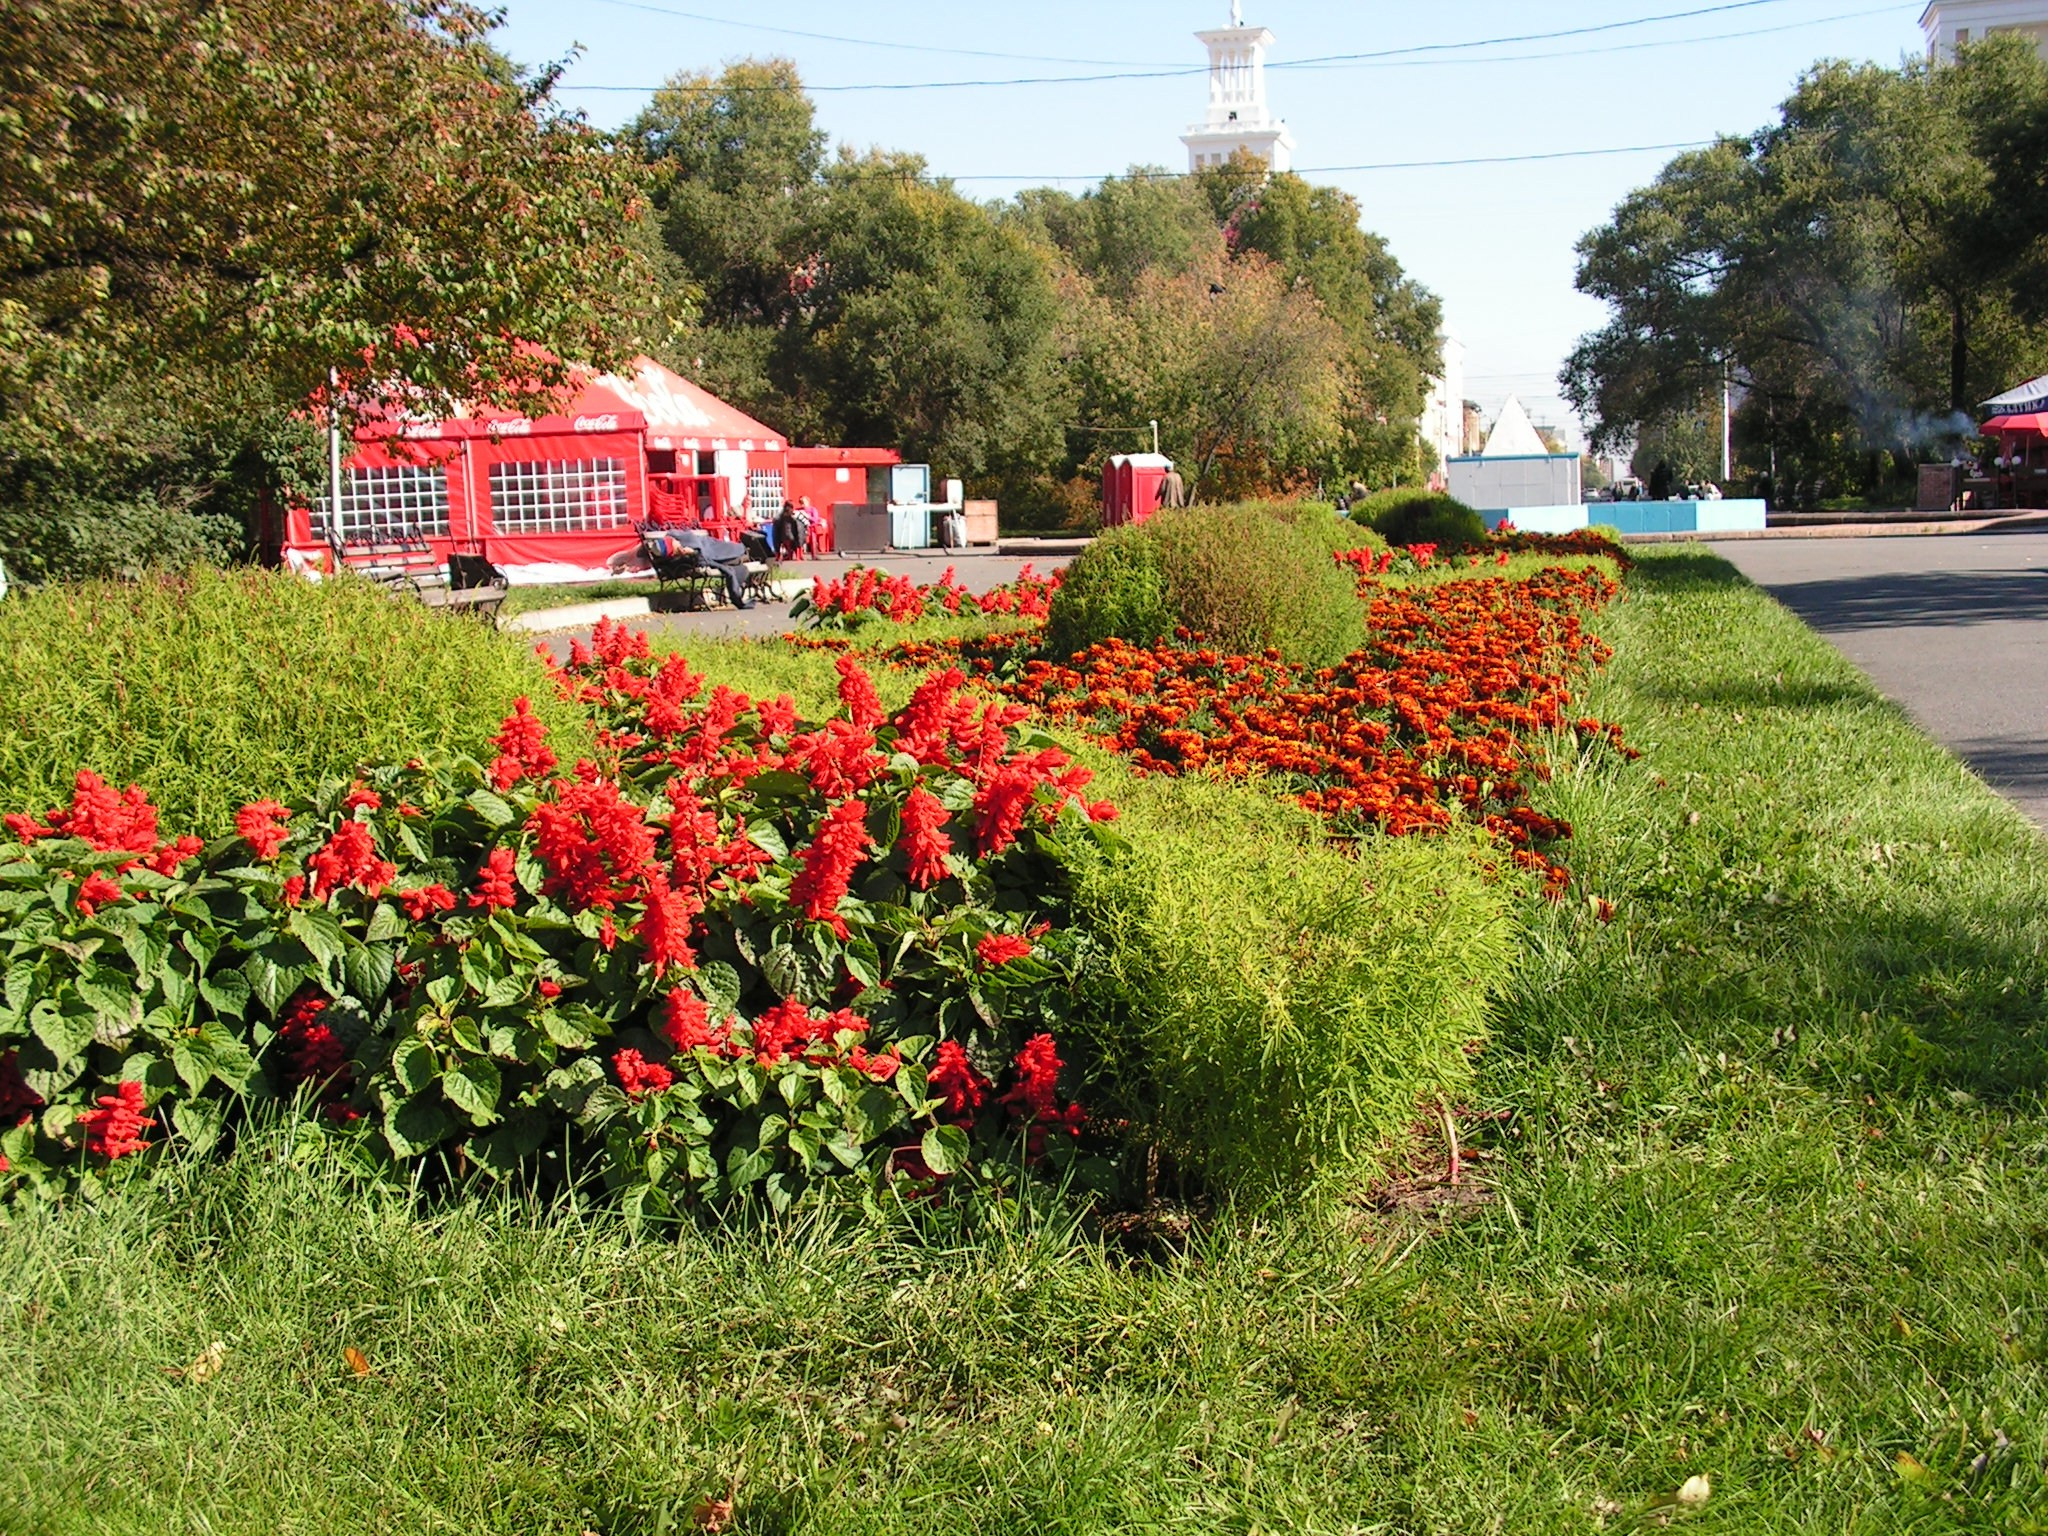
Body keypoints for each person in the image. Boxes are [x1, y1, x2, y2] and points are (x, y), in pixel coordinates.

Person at [667, 526, 755, 608]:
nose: (680, 545)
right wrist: (693, 552)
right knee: (730, 555)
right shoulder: (678, 557)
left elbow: (692, 538)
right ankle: (744, 556)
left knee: (729, 549)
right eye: (677, 549)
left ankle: (744, 554)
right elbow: (701, 559)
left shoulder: (676, 536)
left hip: (709, 546)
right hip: (707, 555)